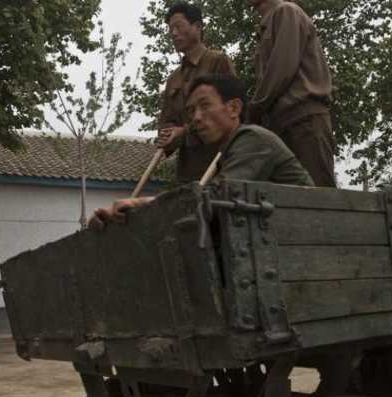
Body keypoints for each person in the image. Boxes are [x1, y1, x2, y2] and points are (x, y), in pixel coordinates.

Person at [89, 74, 312, 230]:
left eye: (205, 106)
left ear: (234, 108)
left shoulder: (253, 138)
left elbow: (214, 200)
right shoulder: (228, 152)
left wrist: (138, 204)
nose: (195, 118)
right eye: (192, 110)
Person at [246, 0, 336, 187]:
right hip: (280, 124)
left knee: (319, 199)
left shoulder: (286, 12)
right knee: (289, 201)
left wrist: (253, 110)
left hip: (302, 120)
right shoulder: (265, 26)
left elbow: (280, 70)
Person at [158, 2, 236, 184]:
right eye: (170, 29)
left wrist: (184, 131)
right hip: (188, 169)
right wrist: (166, 137)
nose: (173, 33)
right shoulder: (174, 78)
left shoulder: (218, 62)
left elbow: (233, 114)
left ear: (197, 27)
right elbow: (167, 122)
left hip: (220, 163)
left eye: (179, 26)